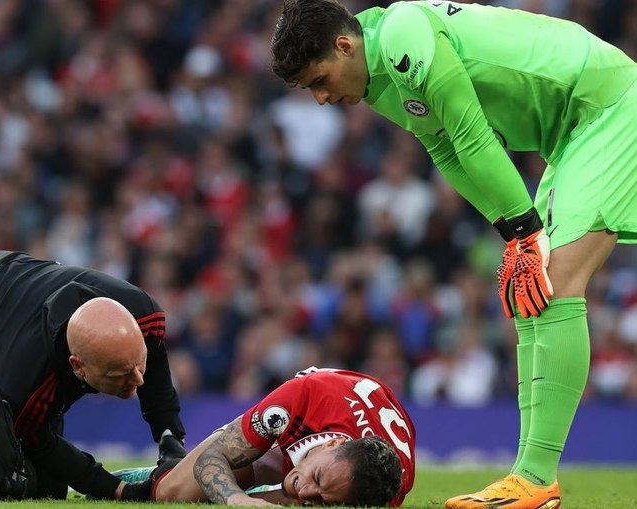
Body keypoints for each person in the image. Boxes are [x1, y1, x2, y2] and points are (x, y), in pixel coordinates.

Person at [269, 2, 637, 509]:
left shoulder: (401, 36)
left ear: (344, 46)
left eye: (320, 80)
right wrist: (512, 230)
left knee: (554, 286)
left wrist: (526, 228)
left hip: (607, 106)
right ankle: (531, 480)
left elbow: (469, 133)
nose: (321, 98)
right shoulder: (378, 81)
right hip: (572, 134)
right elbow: (446, 154)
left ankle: (534, 478)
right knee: (531, 294)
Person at [0, 250, 186, 501]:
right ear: (78, 366)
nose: (138, 380)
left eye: (138, 362)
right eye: (119, 373)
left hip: (0, 291)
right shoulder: (26, 380)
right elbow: (39, 441)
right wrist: (118, 490)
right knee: (0, 461)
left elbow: (156, 370)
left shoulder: (145, 317)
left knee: (50, 488)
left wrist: (170, 442)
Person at [110, 367, 415, 507]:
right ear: (336, 444)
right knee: (171, 493)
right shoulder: (300, 399)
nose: (306, 490)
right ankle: (156, 474)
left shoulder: (378, 492)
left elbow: (318, 488)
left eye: (323, 499)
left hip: (323, 450)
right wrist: (235, 498)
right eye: (318, 477)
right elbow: (213, 458)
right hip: (294, 427)